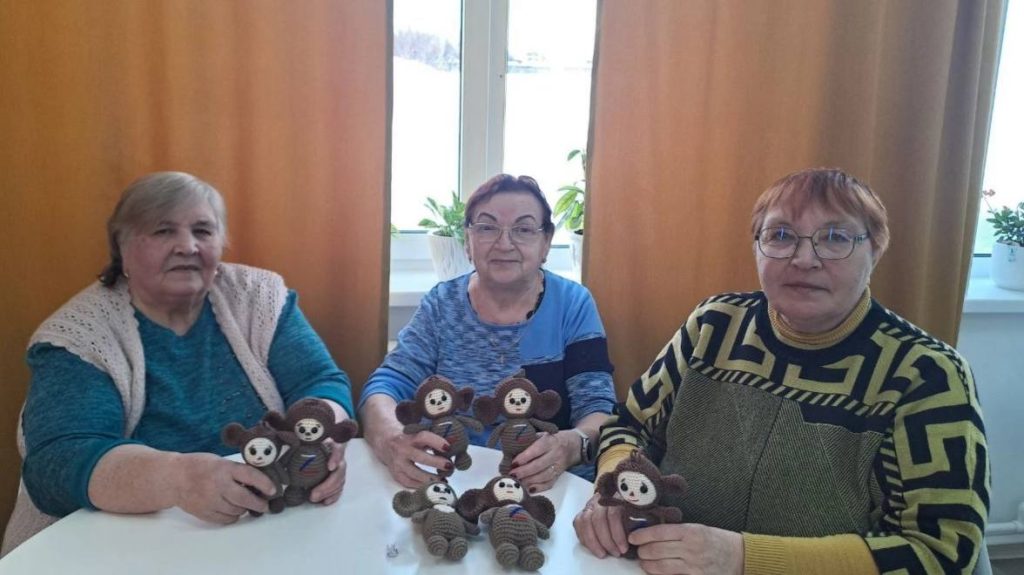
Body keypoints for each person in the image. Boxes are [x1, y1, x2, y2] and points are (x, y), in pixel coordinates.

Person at [573, 168, 989, 574]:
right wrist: (614, 487)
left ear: (875, 250)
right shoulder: (713, 325)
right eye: (782, 235)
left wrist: (742, 559)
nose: (804, 259)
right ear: (757, 246)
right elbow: (628, 425)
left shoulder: (926, 375)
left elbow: (939, 552)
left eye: (835, 238)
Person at [2, 172, 355, 555]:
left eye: (203, 231)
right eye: (163, 231)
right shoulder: (80, 335)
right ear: (121, 248)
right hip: (118, 544)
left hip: (265, 527)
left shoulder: (260, 297)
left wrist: (321, 435)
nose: (187, 246)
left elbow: (319, 381)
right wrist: (177, 478)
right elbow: (58, 461)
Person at [360, 174, 616, 491]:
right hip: (449, 481)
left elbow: (598, 411)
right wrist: (390, 437)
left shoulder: (573, 304)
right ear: (468, 241)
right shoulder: (442, 304)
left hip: (544, 487)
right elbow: (385, 385)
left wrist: (572, 444)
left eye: (523, 229)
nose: (504, 243)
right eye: (487, 227)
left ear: (546, 243)